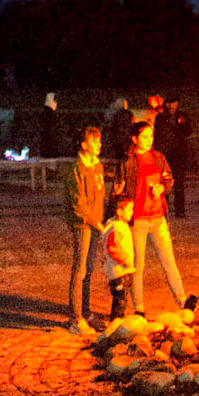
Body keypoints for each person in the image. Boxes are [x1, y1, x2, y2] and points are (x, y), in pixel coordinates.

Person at [123, 120, 197, 317]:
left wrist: (162, 187)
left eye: (151, 136)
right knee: (137, 266)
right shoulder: (128, 161)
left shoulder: (158, 157)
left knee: (169, 260)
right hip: (137, 220)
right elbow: (119, 189)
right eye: (145, 136)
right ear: (135, 139)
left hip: (158, 218)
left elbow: (168, 178)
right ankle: (139, 308)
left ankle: (182, 300)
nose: (149, 140)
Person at [61, 122, 107, 336]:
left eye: (99, 141)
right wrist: (94, 221)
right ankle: (75, 318)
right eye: (94, 141)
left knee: (88, 268)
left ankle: (85, 311)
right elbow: (78, 204)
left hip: (95, 223)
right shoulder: (76, 169)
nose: (98, 145)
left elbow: (99, 195)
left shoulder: (97, 166)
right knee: (79, 270)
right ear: (83, 144)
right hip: (83, 224)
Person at [102, 192, 138, 321]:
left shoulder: (116, 225)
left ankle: (117, 317)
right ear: (119, 212)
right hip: (119, 271)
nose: (132, 212)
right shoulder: (116, 228)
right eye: (129, 209)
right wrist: (125, 259)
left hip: (119, 270)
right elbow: (113, 248)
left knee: (121, 296)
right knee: (120, 297)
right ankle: (117, 319)